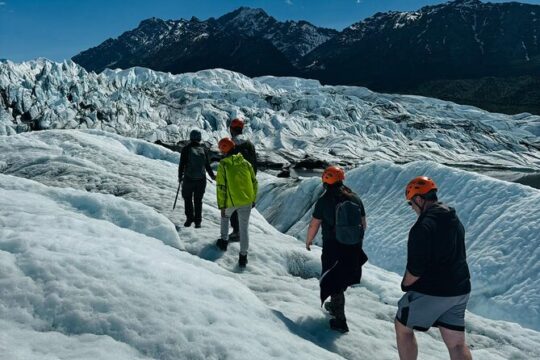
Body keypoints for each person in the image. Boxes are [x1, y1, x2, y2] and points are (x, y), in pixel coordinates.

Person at [395, 176, 472, 360]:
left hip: (435, 291)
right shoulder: (453, 218)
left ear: (419, 199)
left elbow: (415, 269)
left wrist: (405, 284)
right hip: (460, 290)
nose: (412, 208)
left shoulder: (422, 227)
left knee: (402, 326)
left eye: (411, 203)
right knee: (456, 343)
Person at [305, 165, 368, 333]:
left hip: (333, 247)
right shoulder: (355, 198)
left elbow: (314, 224)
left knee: (334, 280)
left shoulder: (324, 201)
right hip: (353, 247)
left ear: (325, 182)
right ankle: (334, 305)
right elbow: (363, 224)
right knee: (343, 277)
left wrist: (308, 241)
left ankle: (340, 320)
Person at [215, 137, 258, 268]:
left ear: (223, 150)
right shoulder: (246, 163)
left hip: (232, 201)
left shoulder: (223, 164)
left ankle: (223, 241)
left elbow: (221, 187)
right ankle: (243, 257)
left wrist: (222, 205)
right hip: (247, 201)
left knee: (225, 216)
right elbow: (254, 182)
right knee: (244, 229)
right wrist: (253, 199)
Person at [177, 129, 215, 228]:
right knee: (198, 201)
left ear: (191, 137)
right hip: (201, 180)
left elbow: (182, 164)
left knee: (187, 199)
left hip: (189, 179)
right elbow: (207, 165)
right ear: (199, 138)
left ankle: (189, 219)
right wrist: (212, 176)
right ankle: (198, 222)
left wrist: (180, 176)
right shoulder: (204, 150)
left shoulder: (186, 149)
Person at [227, 118, 257, 242]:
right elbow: (254, 164)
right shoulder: (249, 144)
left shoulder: (230, 143)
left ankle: (236, 231)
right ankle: (242, 231)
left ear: (232, 129)